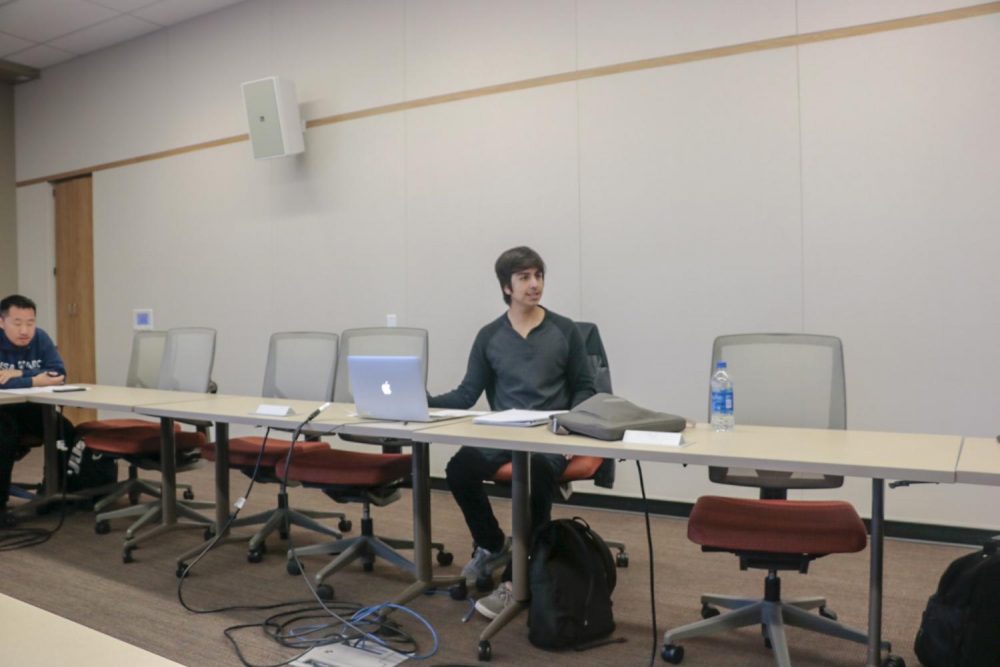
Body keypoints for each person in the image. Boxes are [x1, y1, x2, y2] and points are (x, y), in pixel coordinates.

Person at [429, 246, 596, 619]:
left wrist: (568, 421)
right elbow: (467, 393)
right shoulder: (489, 336)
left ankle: (517, 579)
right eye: (524, 277)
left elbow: (585, 387)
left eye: (538, 276)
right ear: (506, 286)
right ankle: (491, 544)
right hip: (503, 433)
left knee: (534, 478)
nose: (534, 284)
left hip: (547, 436)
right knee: (459, 470)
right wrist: (424, 402)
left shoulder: (565, 330)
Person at [0, 294, 72, 526]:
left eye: (30, 323)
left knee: (66, 432)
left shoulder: (40, 338)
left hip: (31, 408)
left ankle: (52, 492)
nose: (25, 330)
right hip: (2, 411)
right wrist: (34, 380)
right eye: (17, 323)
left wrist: (20, 375)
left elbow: (57, 374)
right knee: (4, 437)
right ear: (2, 322)